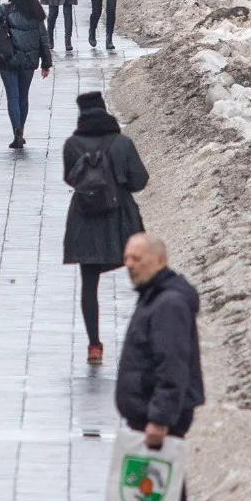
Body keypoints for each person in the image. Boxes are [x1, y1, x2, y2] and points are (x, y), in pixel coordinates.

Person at [106, 233, 204, 501]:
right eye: (127, 257)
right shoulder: (154, 294)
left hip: (162, 418)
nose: (128, 265)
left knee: (170, 494)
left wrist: (160, 418)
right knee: (147, 490)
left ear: (159, 261)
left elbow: (172, 366)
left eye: (137, 259)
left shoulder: (169, 303)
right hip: (145, 414)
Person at [61, 90, 149, 367]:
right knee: (142, 277)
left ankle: (94, 346)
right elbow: (139, 180)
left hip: (85, 219)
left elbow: (70, 179)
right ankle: (143, 337)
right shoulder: (121, 142)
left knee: (89, 283)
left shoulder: (72, 144)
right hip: (121, 218)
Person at [0, 0, 53, 149]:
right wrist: (46, 62)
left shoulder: (4, 9)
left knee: (13, 96)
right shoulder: (36, 12)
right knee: (23, 96)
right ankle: (21, 131)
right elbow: (43, 38)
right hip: (29, 59)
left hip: (8, 58)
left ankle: (16, 131)